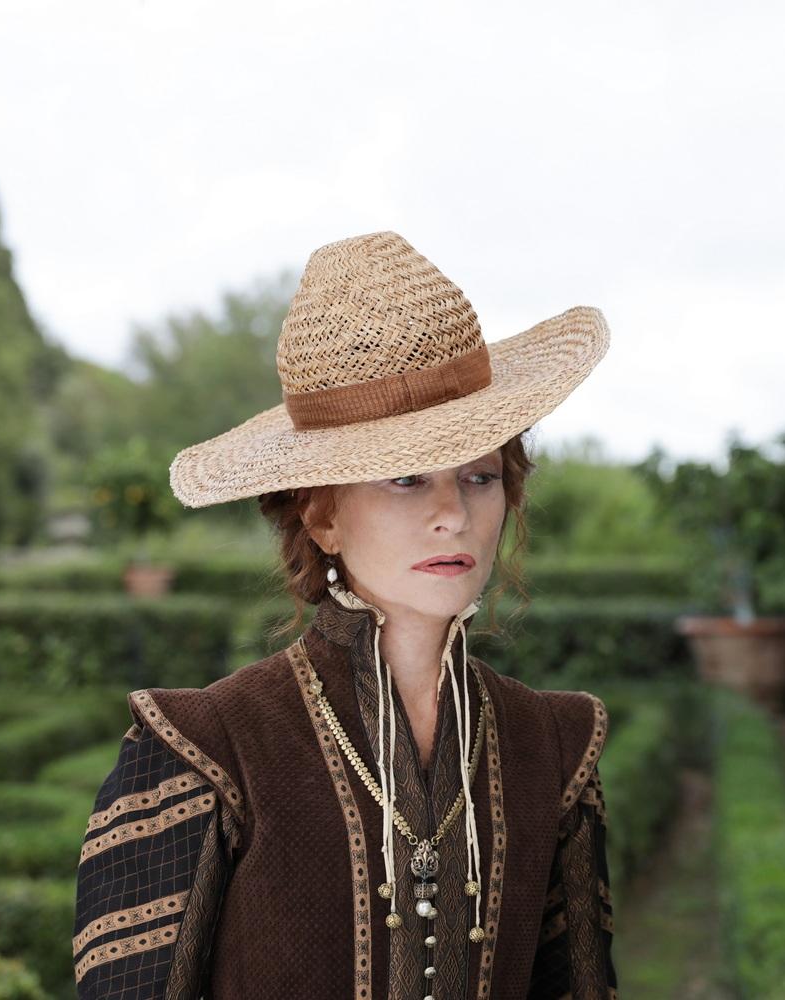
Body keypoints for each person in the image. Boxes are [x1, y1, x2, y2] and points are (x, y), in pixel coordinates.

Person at [72, 231, 617, 999]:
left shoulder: (553, 747)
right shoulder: (204, 750)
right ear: (322, 515)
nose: (452, 515)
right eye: (404, 478)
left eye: (480, 476)